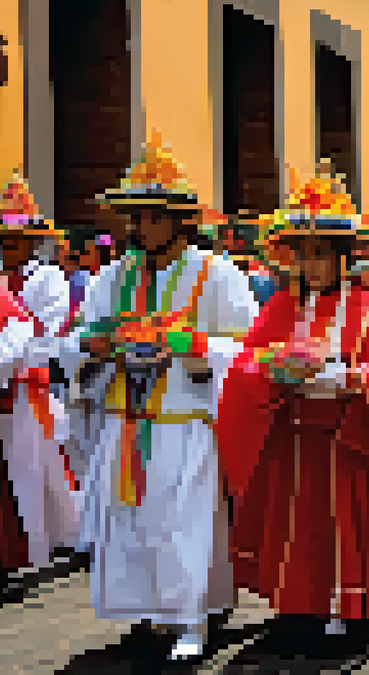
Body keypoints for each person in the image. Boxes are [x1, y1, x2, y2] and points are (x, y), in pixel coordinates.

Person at [215, 165, 369, 639]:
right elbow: (245, 363)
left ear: (343, 258)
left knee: (346, 528)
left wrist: (355, 377)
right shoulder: (278, 308)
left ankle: (350, 604)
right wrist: (272, 371)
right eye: (303, 255)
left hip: (349, 440)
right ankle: (300, 604)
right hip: (293, 440)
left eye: (320, 254)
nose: (310, 265)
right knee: (301, 528)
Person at [58, 134, 259, 661]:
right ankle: (148, 612)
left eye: (148, 216)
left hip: (185, 419)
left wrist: (192, 346)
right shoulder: (114, 275)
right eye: (133, 217)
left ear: (177, 220)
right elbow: (76, 338)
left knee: (183, 522)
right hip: (125, 417)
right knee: (128, 521)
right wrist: (98, 344)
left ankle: (191, 619)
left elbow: (247, 349)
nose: (136, 227)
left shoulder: (217, 274)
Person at [0, 171, 81, 570]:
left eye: (12, 242)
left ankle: (37, 547)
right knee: (12, 467)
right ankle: (34, 541)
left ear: (31, 243)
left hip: (27, 382)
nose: (5, 249)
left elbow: (47, 333)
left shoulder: (49, 278)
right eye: (0, 242)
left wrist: (10, 352)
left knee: (30, 466)